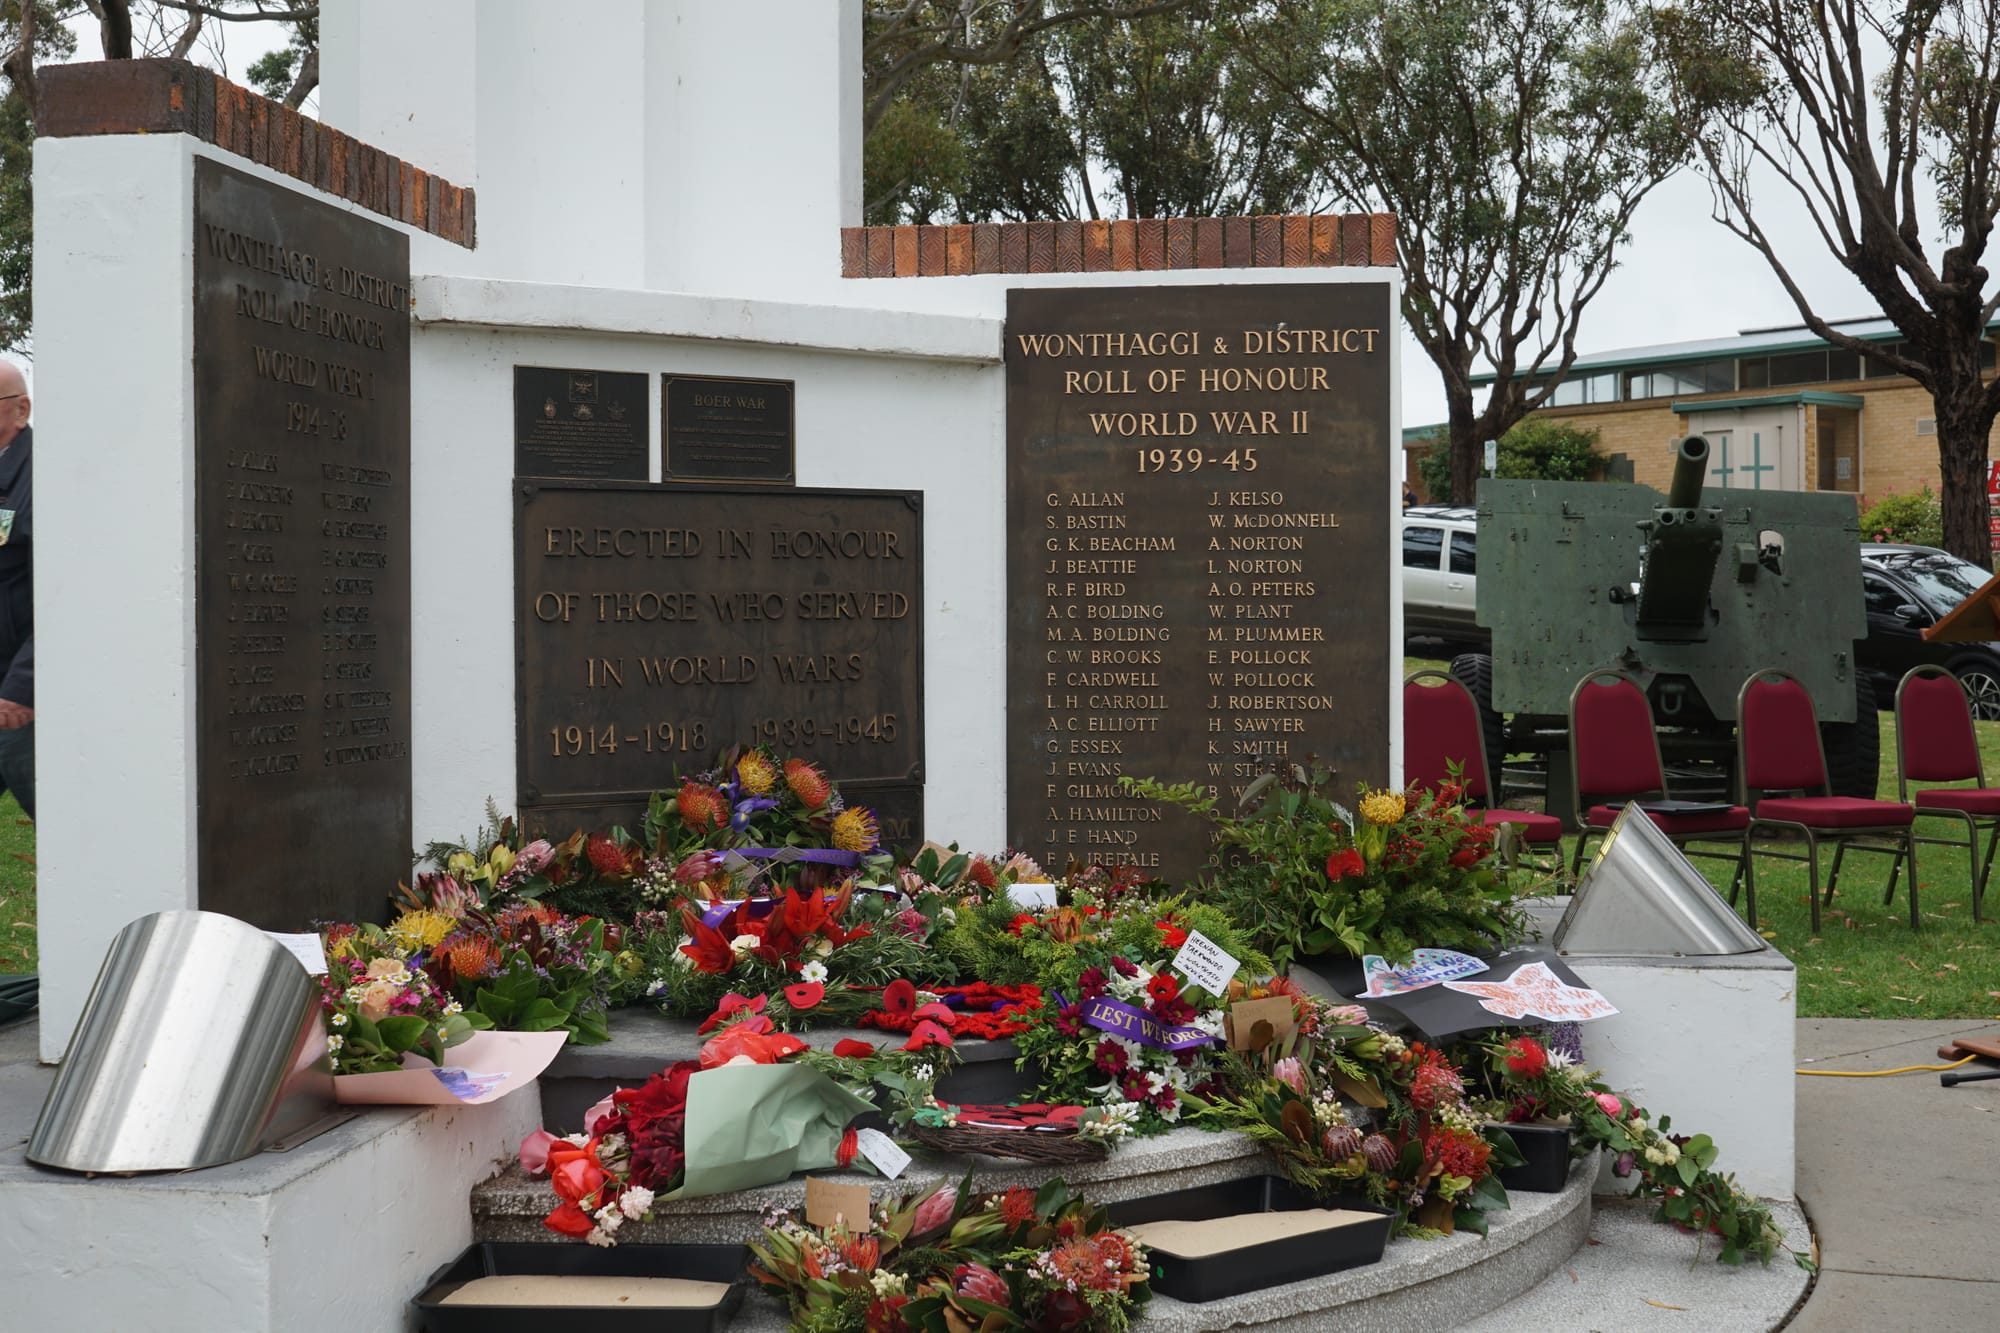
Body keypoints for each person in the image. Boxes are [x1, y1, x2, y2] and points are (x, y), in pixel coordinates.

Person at [0, 360, 31, 820]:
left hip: (20, 694)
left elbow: (69, 592)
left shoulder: (48, 475)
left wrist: (25, 686)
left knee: (72, 825)